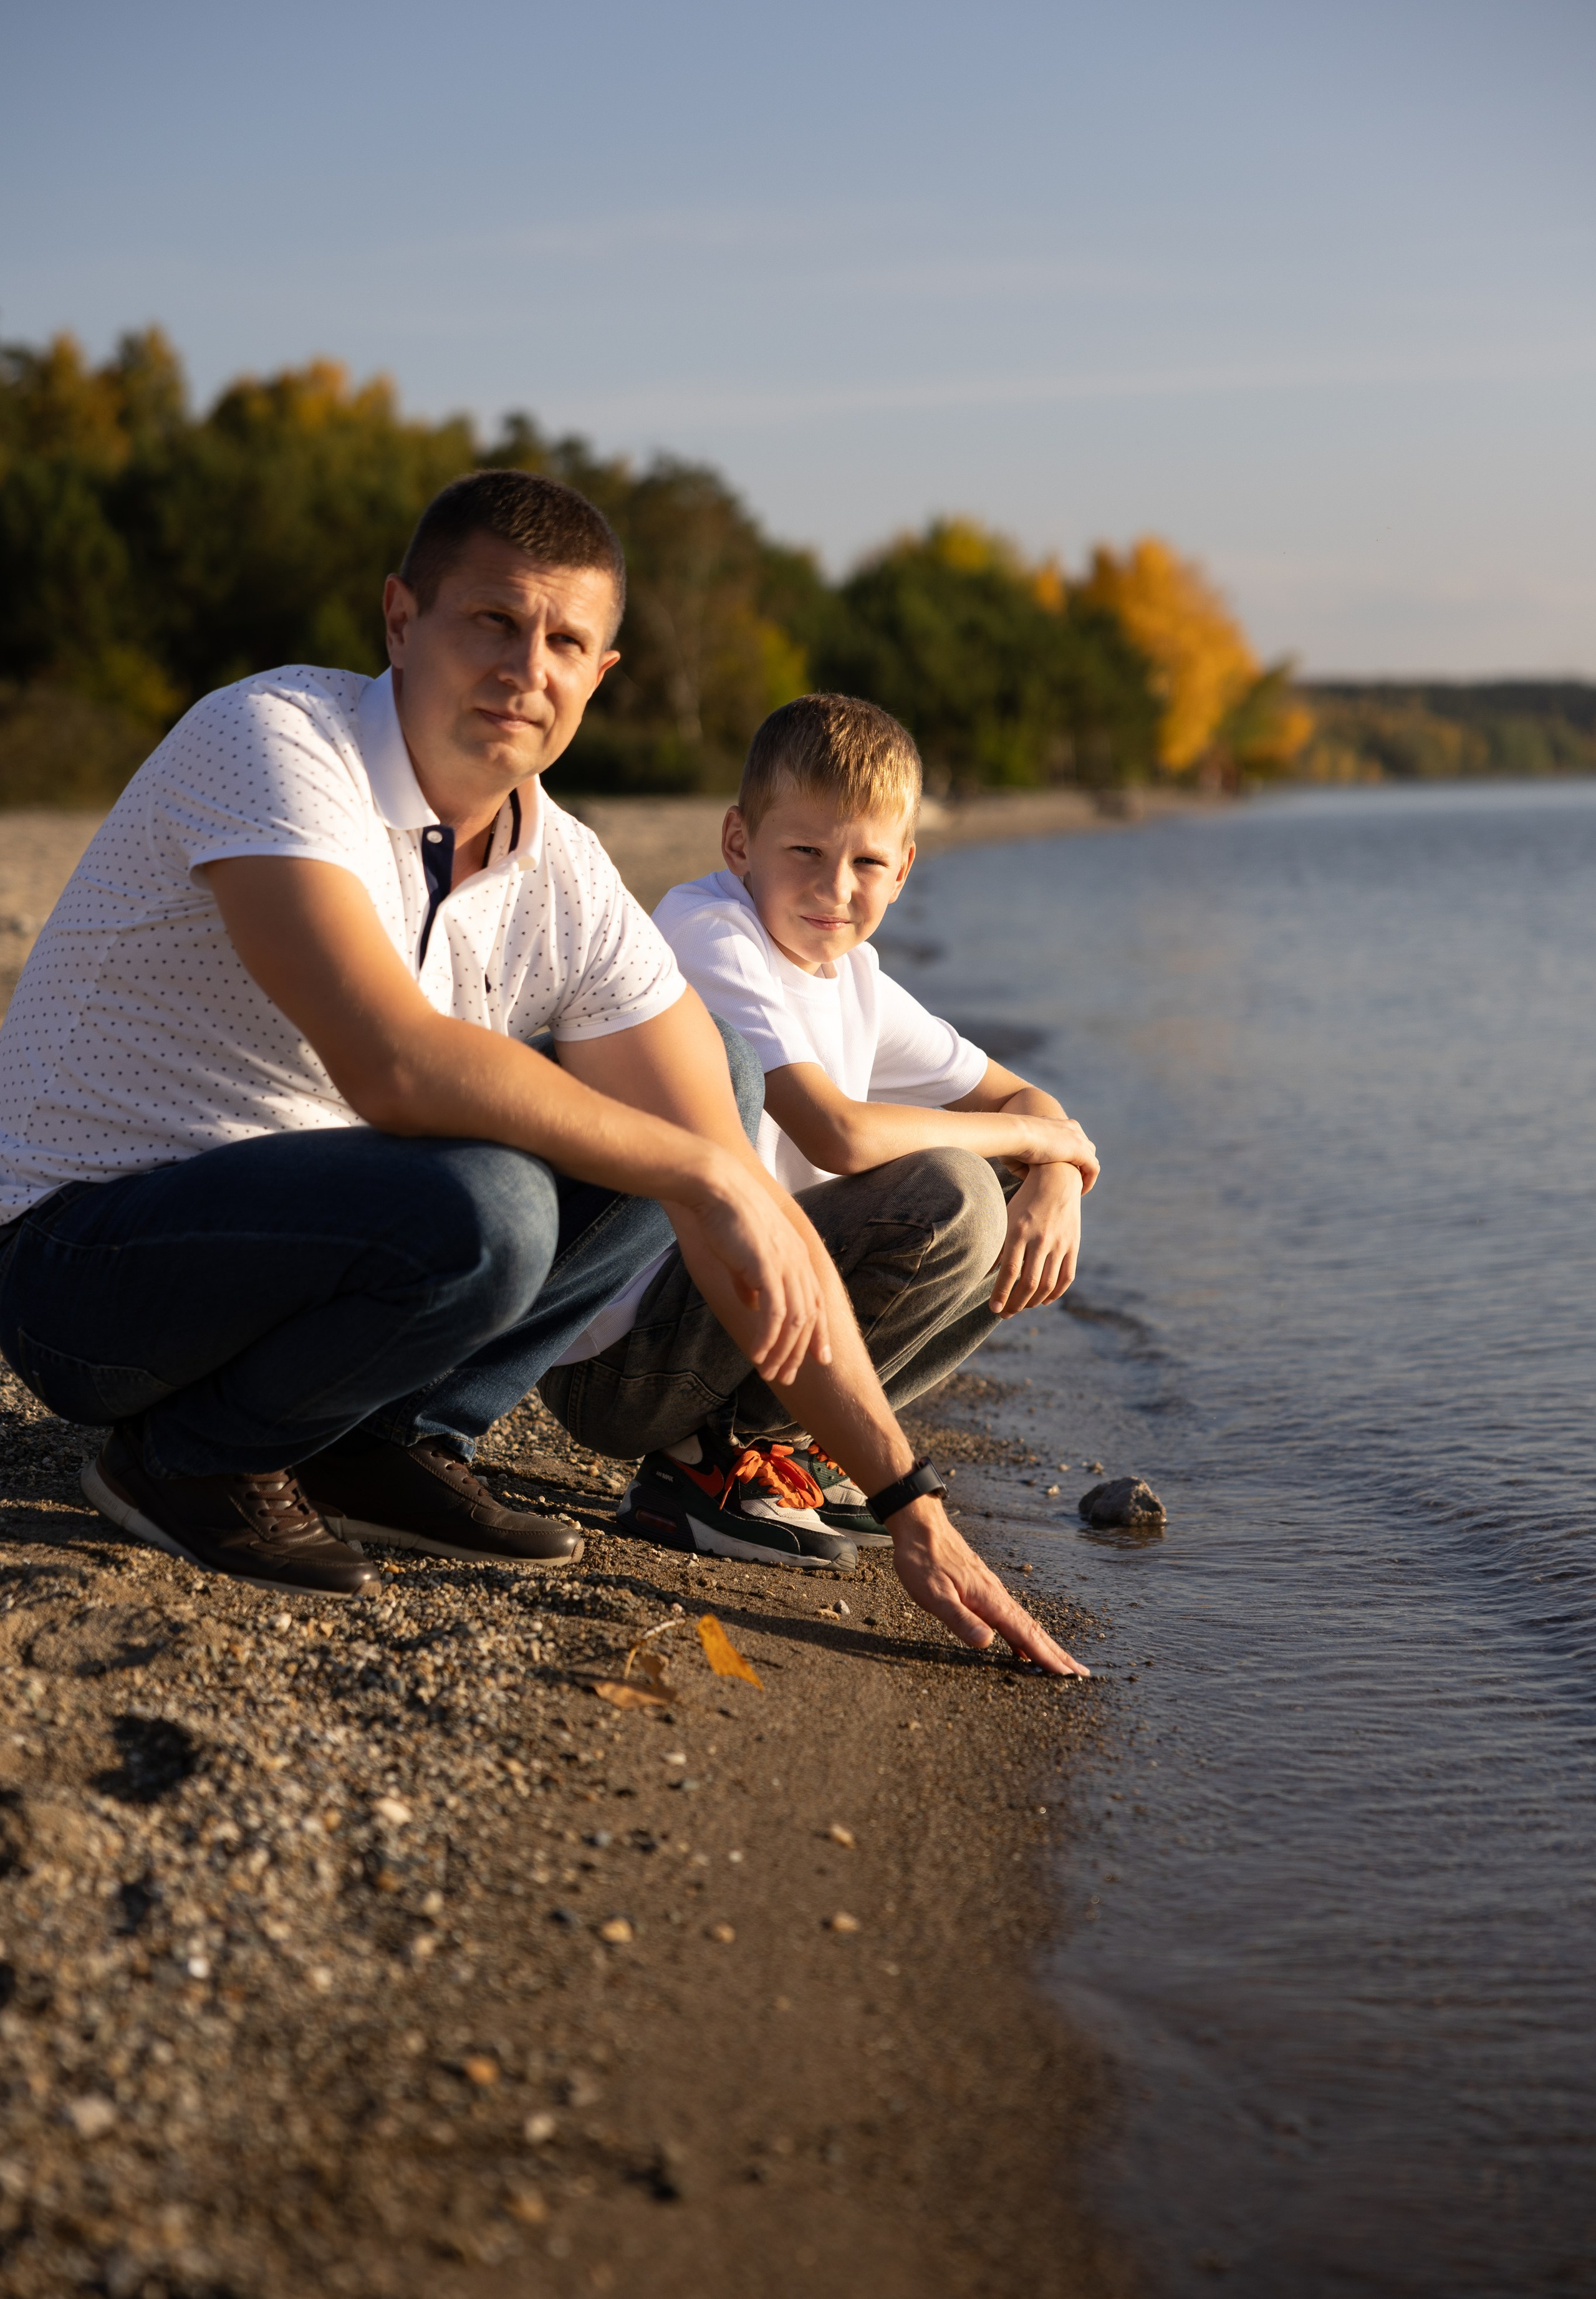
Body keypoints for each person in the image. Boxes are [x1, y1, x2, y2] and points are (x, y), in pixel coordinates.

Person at [0, 471, 1085, 1674]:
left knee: (709, 1084)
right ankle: (190, 1456)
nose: (530, 668)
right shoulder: (274, 741)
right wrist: (707, 1174)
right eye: (493, 622)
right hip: (81, 1266)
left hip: (301, 1265)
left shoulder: (561, 866)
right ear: (402, 619)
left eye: (567, 639)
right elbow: (392, 1063)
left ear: (603, 673)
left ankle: (382, 1439)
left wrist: (910, 1506)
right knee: (509, 1204)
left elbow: (727, 1159)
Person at [538, 692, 1098, 1558]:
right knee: (957, 1192)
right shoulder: (710, 932)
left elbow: (1029, 1104)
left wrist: (1056, 1172)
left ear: (905, 868)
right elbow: (837, 1133)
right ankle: (703, 1460)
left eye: (867, 863)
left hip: (718, 1323)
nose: (836, 890)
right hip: (618, 1355)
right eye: (805, 850)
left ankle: (772, 1448)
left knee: (1001, 1196)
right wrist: (1034, 1144)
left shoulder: (851, 975)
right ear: (739, 842)